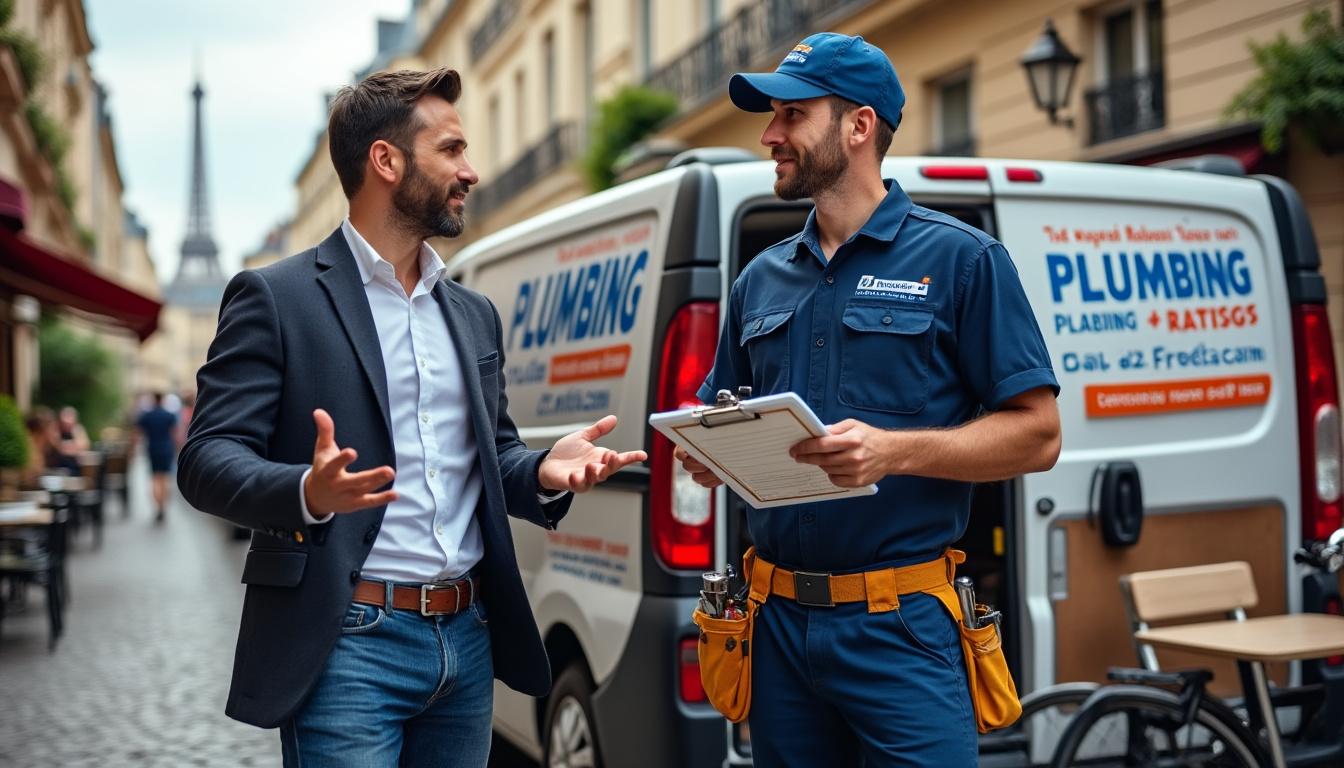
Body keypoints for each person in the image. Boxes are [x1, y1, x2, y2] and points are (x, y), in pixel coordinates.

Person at [177, 67, 645, 768]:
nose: (472, 171)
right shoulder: (276, 298)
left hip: (467, 637)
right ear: (387, 161)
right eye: (451, 150)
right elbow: (206, 459)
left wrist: (543, 470)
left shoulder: (471, 313)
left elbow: (495, 454)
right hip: (349, 642)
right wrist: (307, 492)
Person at [677, 33, 1061, 767]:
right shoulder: (759, 279)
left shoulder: (962, 260)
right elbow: (723, 416)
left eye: (791, 115)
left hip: (905, 629)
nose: (769, 135)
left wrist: (895, 450)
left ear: (858, 126)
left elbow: (1039, 436)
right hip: (778, 626)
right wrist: (714, 456)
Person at [135, 392, 178, 523]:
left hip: (153, 448)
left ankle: (158, 507)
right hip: (166, 448)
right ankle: (163, 506)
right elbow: (175, 433)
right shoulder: (169, 415)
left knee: (155, 479)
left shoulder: (147, 415)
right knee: (165, 479)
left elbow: (139, 431)